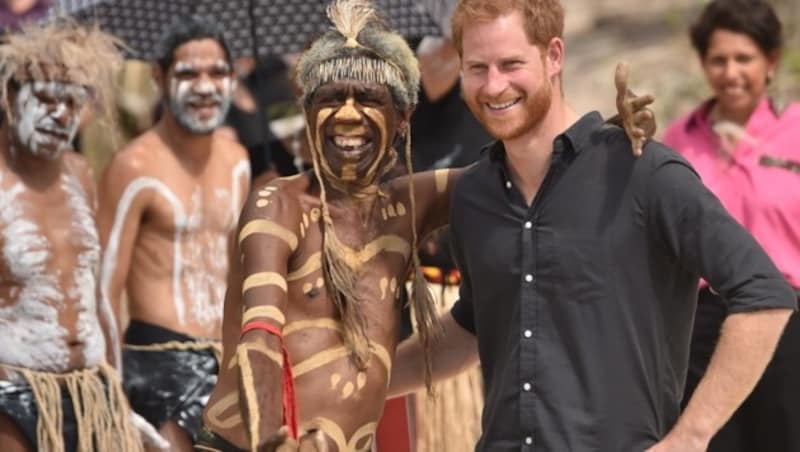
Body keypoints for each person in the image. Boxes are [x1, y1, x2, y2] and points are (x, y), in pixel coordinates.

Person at [196, 1, 656, 450]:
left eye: (369, 98)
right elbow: (258, 339)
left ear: (401, 121)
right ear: (309, 111)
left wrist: (603, 140)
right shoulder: (277, 206)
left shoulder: (407, 204)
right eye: (332, 98)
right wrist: (269, 442)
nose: (349, 115)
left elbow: (520, 171)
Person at [389, 0, 797, 451]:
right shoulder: (473, 196)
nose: (493, 85)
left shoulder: (642, 173)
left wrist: (690, 437)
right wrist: (363, 381)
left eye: (511, 64)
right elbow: (472, 325)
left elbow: (764, 293)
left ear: (555, 56)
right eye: (477, 67)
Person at [97, 16, 250, 452]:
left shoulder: (238, 160)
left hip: (224, 357)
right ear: (159, 77)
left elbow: (238, 271)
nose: (205, 87)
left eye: (217, 73)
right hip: (155, 362)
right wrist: (111, 388)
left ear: (233, 77)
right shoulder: (133, 167)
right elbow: (104, 288)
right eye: (189, 73)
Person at [661, 1, 800, 450]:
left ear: (771, 62)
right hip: (702, 326)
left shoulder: (797, 132)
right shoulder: (678, 141)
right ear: (703, 63)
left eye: (744, 58)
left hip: (788, 325)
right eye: (718, 60)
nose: (730, 72)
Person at [0, 21, 143, 452]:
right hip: (14, 393)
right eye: (44, 99)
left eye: (72, 101)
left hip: (90, 389)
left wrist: (118, 393)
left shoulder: (80, 172)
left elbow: (96, 292)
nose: (60, 115)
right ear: (9, 96)